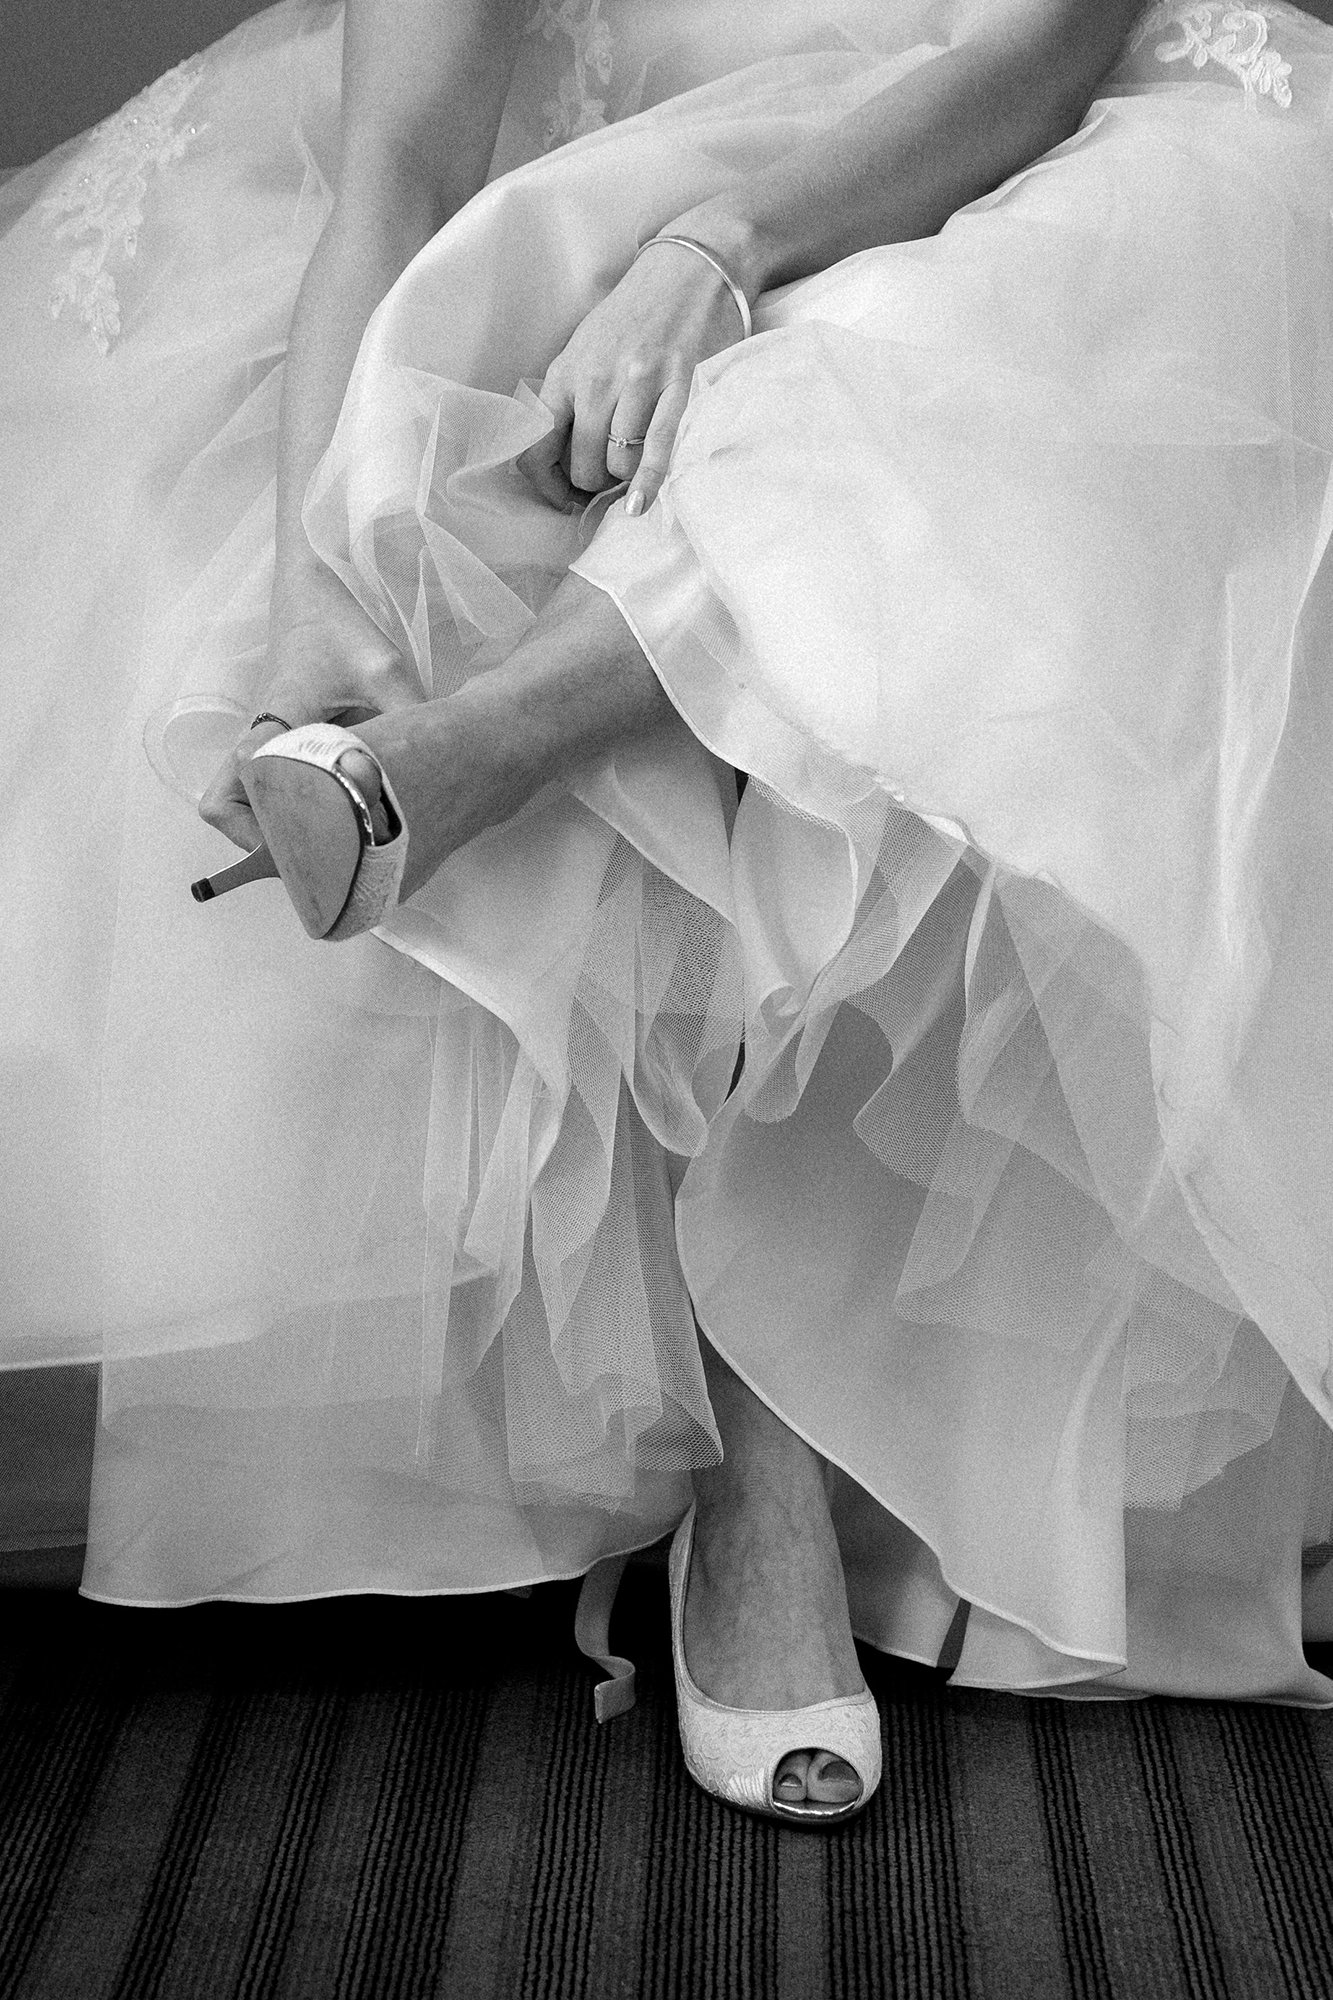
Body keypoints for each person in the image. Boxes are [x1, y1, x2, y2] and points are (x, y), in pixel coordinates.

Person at [4, 0, 1333, 1827]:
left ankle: (456, 764)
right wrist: (316, 619)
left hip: (1018, 146)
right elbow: (397, 156)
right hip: (609, 174)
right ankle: (746, 1471)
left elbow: (1037, 57)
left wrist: (722, 252)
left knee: (1011, 327)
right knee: (537, 454)